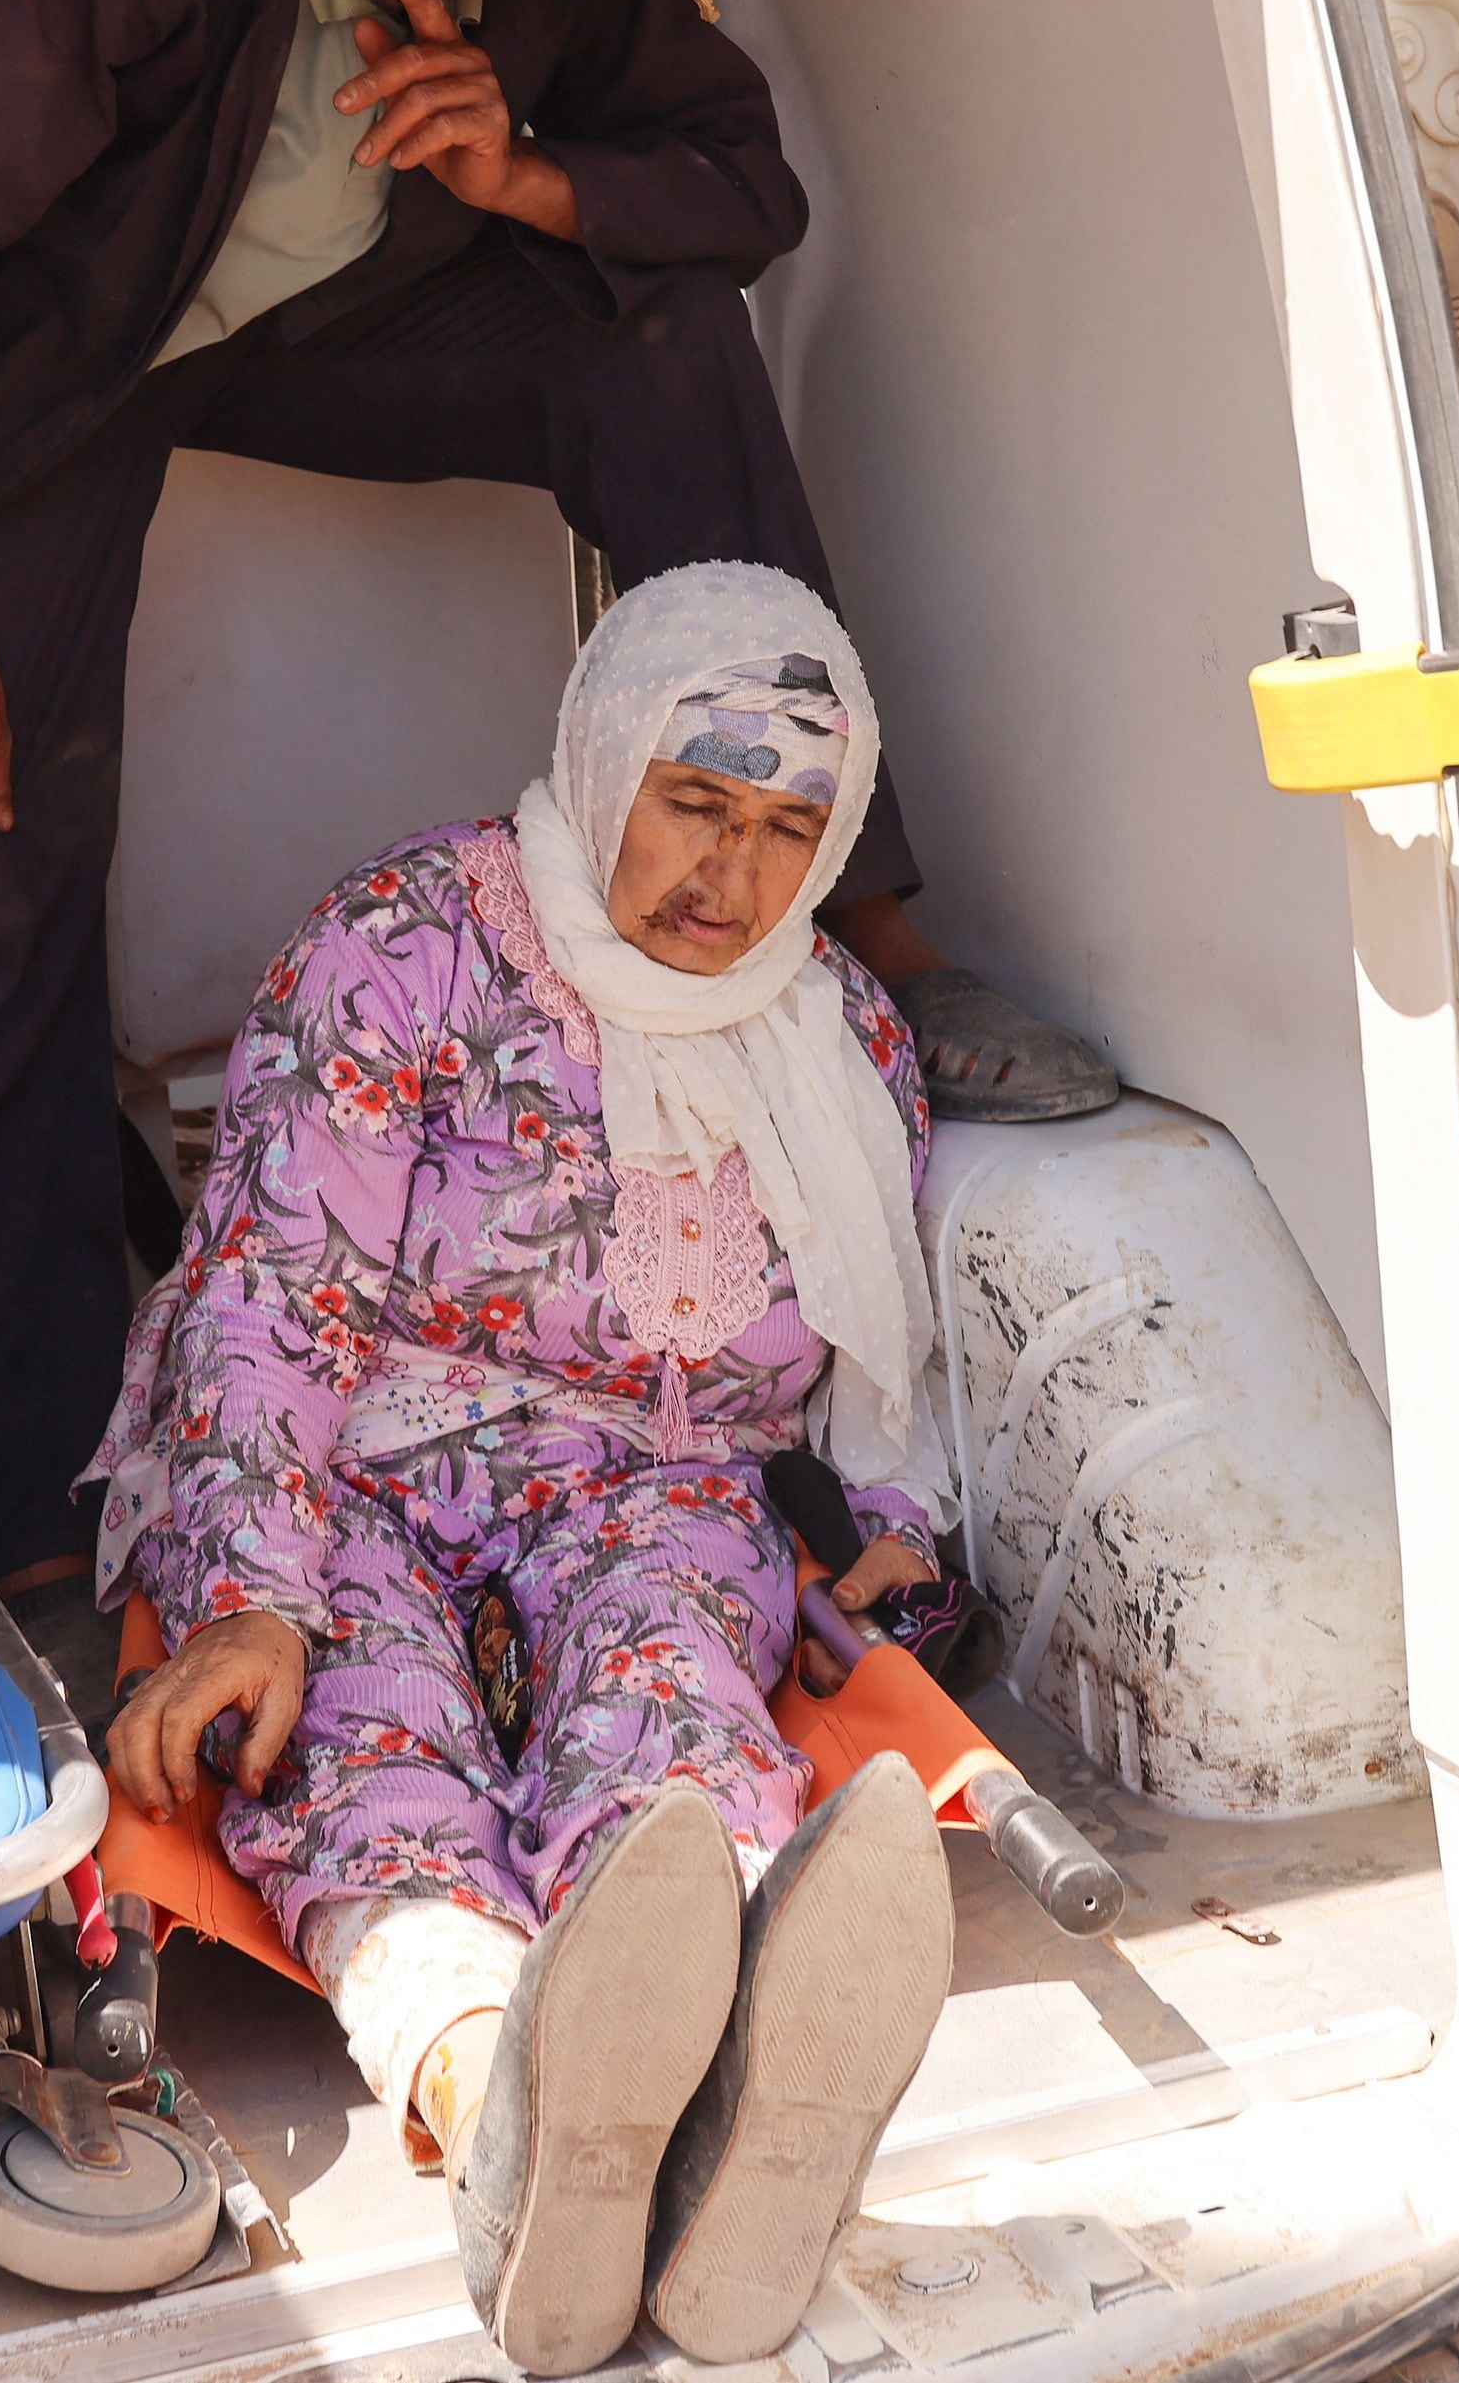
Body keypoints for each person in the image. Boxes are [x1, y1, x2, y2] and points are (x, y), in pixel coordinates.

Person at [0, 0, 1119, 1596]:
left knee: (659, 333)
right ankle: (33, 1531)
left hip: (306, 327)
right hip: (21, 386)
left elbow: (737, 190)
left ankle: (870, 927)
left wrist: (535, 178)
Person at [89, 564, 961, 2373]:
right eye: (697, 804)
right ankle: (511, 2120)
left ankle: (727, 2112)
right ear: (601, 757)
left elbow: (870, 1375)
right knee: (360, 1724)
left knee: (676, 1707)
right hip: (357, 1461)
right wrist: (249, 1595)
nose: (733, 876)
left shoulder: (846, 1037)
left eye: (792, 827)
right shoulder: (403, 942)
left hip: (662, 1486)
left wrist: (878, 1546)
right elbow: (273, 1286)